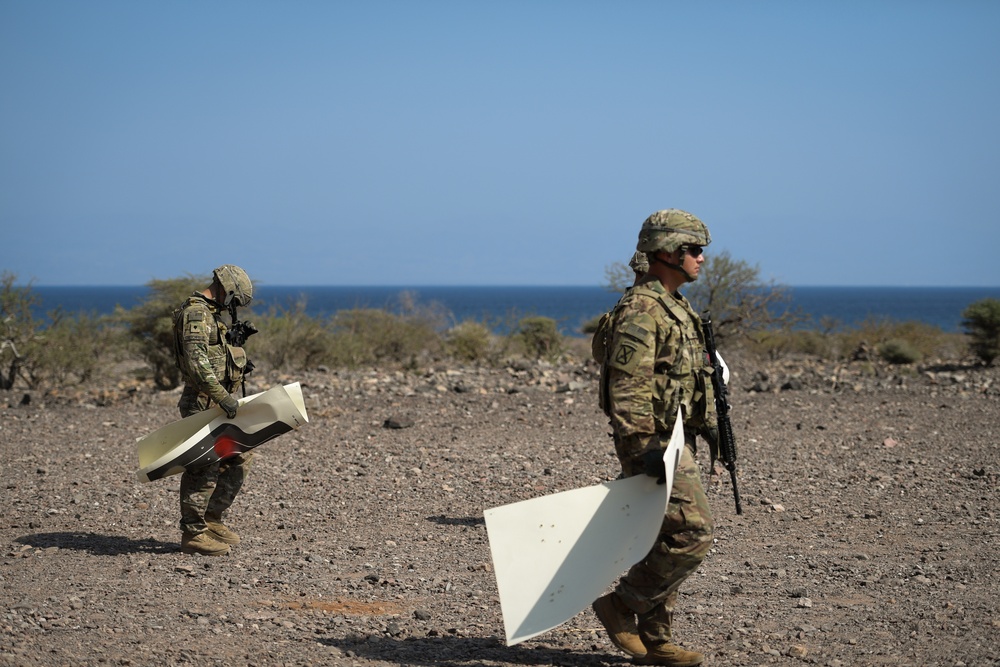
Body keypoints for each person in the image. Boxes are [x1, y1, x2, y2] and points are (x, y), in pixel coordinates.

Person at [591, 210, 718, 666]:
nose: (702, 258)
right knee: (693, 533)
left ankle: (656, 637)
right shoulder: (643, 309)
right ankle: (622, 605)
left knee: (661, 536)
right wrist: (642, 448)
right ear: (667, 252)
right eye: (694, 250)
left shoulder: (676, 305)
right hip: (654, 444)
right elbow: (628, 385)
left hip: (676, 438)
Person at [172, 264, 255, 556]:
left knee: (238, 456)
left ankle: (211, 518)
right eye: (234, 300)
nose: (232, 307)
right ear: (227, 288)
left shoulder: (211, 316)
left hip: (218, 400)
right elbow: (197, 366)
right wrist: (223, 397)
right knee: (203, 466)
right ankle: (193, 533)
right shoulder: (196, 315)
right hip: (203, 402)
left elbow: (213, 357)